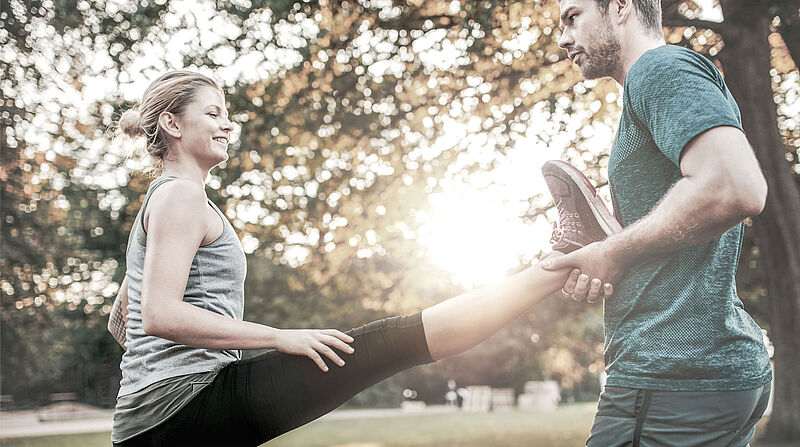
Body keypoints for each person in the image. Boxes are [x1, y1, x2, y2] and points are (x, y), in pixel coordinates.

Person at [107, 70, 612, 446]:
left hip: (166, 414)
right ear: (172, 124)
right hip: (179, 407)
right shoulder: (179, 197)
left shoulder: (166, 198)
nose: (227, 125)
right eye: (212, 113)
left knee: (387, 343)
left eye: (227, 113)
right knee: (390, 343)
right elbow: (159, 315)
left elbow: (129, 312)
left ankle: (563, 258)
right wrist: (280, 337)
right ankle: (563, 256)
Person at [541, 1, 773, 446]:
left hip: (672, 377)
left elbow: (734, 186)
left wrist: (613, 252)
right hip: (698, 372)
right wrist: (601, 252)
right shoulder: (656, 82)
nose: (564, 38)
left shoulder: (660, 69)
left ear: (621, 7)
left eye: (573, 17)